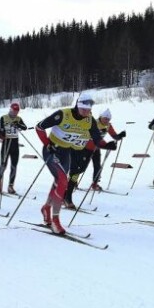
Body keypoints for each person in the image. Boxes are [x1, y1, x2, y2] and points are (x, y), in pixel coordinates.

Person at [35, 91, 117, 234]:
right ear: (78, 106)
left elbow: (96, 138)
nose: (87, 112)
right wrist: (48, 143)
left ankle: (46, 208)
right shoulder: (63, 114)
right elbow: (39, 127)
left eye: (89, 110)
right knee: (62, 181)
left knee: (59, 181)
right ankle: (55, 220)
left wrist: (106, 145)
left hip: (66, 152)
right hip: (52, 150)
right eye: (84, 109)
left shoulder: (89, 120)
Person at [62, 107, 126, 208]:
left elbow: (113, 136)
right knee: (78, 170)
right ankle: (67, 192)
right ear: (100, 117)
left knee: (95, 167)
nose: (107, 121)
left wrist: (119, 136)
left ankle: (93, 184)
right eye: (105, 118)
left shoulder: (108, 126)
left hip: (95, 149)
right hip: (82, 149)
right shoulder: (93, 123)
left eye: (108, 119)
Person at [0, 102, 29, 194]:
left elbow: (24, 127)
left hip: (15, 143)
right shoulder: (3, 118)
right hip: (6, 142)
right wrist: (5, 130)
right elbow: (1, 129)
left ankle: (11, 185)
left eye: (16, 112)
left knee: (14, 165)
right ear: (10, 110)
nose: (15, 113)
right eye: (13, 111)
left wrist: (18, 125)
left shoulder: (18, 119)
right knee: (3, 164)